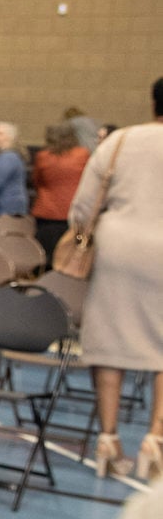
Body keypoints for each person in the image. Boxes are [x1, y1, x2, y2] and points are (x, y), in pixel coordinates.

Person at [71, 77, 163, 481]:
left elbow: (83, 207)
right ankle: (155, 441)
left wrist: (81, 238)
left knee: (110, 341)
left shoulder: (120, 141)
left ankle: (108, 441)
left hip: (117, 250)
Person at [31, 121, 89, 267]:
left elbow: (37, 181)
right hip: (73, 214)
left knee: (47, 256)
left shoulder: (43, 156)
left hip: (47, 214)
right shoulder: (82, 154)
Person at [0, 120, 30, 224]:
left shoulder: (8, 157)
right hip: (9, 205)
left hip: (7, 207)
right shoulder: (6, 156)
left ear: (9, 137)